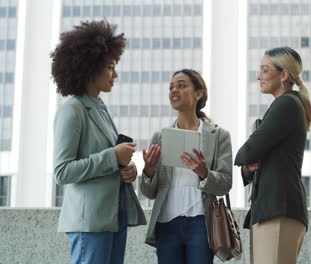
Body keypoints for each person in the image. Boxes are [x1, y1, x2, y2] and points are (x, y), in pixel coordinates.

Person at [51, 20, 146, 264]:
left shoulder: (100, 108)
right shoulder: (72, 110)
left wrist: (127, 170)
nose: (115, 74)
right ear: (90, 68)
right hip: (90, 222)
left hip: (112, 217)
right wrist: (112, 157)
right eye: (110, 67)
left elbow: (109, 160)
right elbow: (62, 172)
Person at [140, 69, 233, 264]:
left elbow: (224, 184)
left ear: (198, 93)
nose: (174, 90)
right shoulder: (160, 136)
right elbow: (149, 192)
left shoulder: (218, 136)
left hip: (201, 222)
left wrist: (203, 172)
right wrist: (148, 170)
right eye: (171, 87)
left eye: (182, 86)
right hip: (166, 223)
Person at [234, 46, 311, 264]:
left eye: (264, 70)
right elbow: (253, 157)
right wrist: (246, 168)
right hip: (272, 210)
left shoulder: (287, 103)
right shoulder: (285, 104)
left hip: (279, 209)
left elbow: (249, 150)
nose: (258, 76)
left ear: (284, 75)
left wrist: (250, 147)